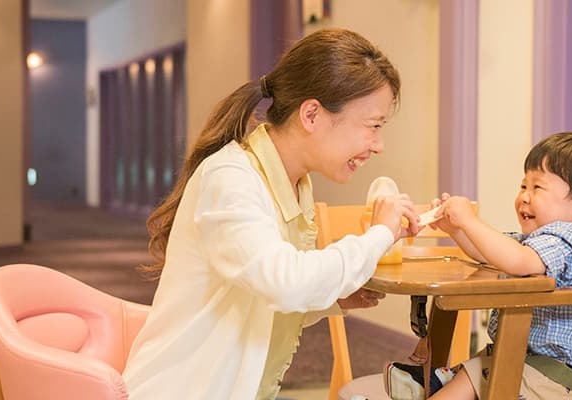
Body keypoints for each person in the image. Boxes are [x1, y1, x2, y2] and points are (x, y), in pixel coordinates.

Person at [122, 28, 422, 400]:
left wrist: (333, 299)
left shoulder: (295, 184)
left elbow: (263, 298)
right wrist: (379, 234)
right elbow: (285, 283)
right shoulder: (231, 178)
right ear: (311, 114)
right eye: (373, 126)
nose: (378, 145)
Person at [385, 131, 572, 400]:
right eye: (523, 186)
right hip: (529, 361)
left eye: (537, 187)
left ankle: (440, 384)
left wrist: (470, 221)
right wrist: (456, 229)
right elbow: (490, 255)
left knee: (476, 375)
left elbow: (518, 262)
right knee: (474, 371)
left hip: (566, 376)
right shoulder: (536, 240)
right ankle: (442, 385)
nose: (524, 197)